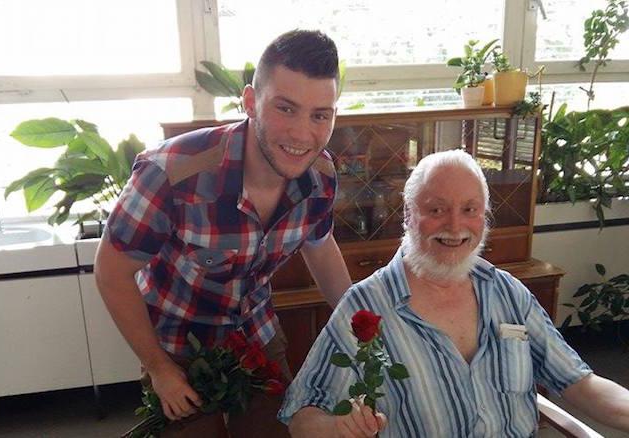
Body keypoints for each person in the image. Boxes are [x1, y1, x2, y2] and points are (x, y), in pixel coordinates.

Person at [94, 29, 352, 438]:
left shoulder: (321, 176)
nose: (303, 135)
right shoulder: (170, 173)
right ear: (250, 102)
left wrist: (359, 324)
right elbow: (111, 273)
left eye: (320, 115)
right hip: (177, 344)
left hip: (257, 333)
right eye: (286, 109)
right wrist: (159, 368)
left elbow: (320, 248)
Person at [279, 149, 629, 437]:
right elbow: (301, 415)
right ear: (408, 214)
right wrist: (338, 428)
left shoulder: (508, 293)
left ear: (484, 217)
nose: (455, 226)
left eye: (469, 210)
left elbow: (580, 384)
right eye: (436, 210)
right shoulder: (365, 307)